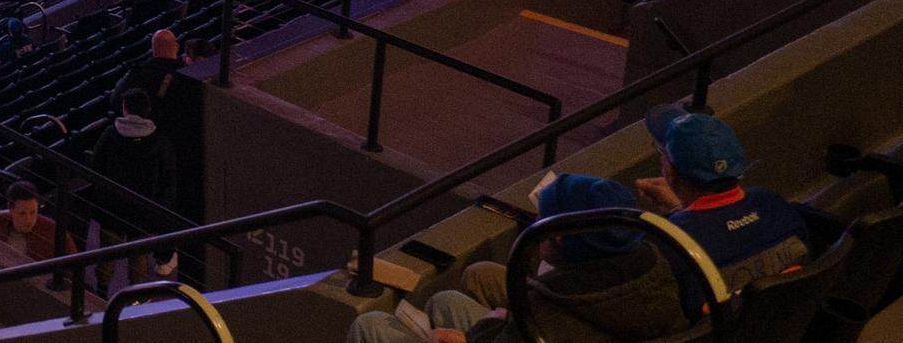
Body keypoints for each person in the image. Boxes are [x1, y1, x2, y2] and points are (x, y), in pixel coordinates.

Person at [345, 174, 690, 343]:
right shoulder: (658, 267)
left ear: (555, 237)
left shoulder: (544, 316)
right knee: (447, 300)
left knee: (370, 325)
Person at [636, 105, 811, 315]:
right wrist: (680, 210)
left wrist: (675, 220)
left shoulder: (665, 244)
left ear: (670, 171)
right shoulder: (772, 203)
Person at [87, 90, 178, 293]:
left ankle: (101, 292)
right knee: (138, 256)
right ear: (148, 111)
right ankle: (136, 298)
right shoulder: (161, 143)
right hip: (144, 212)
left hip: (111, 208)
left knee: (107, 253)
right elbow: (168, 180)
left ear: (124, 108)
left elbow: (95, 165)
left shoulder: (110, 134)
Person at [0, 182, 75, 265]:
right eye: (22, 213)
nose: (29, 220)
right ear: (10, 209)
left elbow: (72, 267)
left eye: (33, 212)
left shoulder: (54, 233)